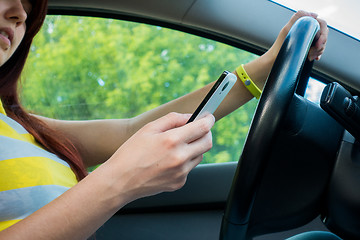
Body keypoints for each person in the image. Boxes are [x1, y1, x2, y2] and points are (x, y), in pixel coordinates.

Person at [0, 0, 330, 239]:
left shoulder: (17, 123)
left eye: (28, 6)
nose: (21, 12)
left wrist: (266, 66)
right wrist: (121, 182)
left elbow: (129, 132)